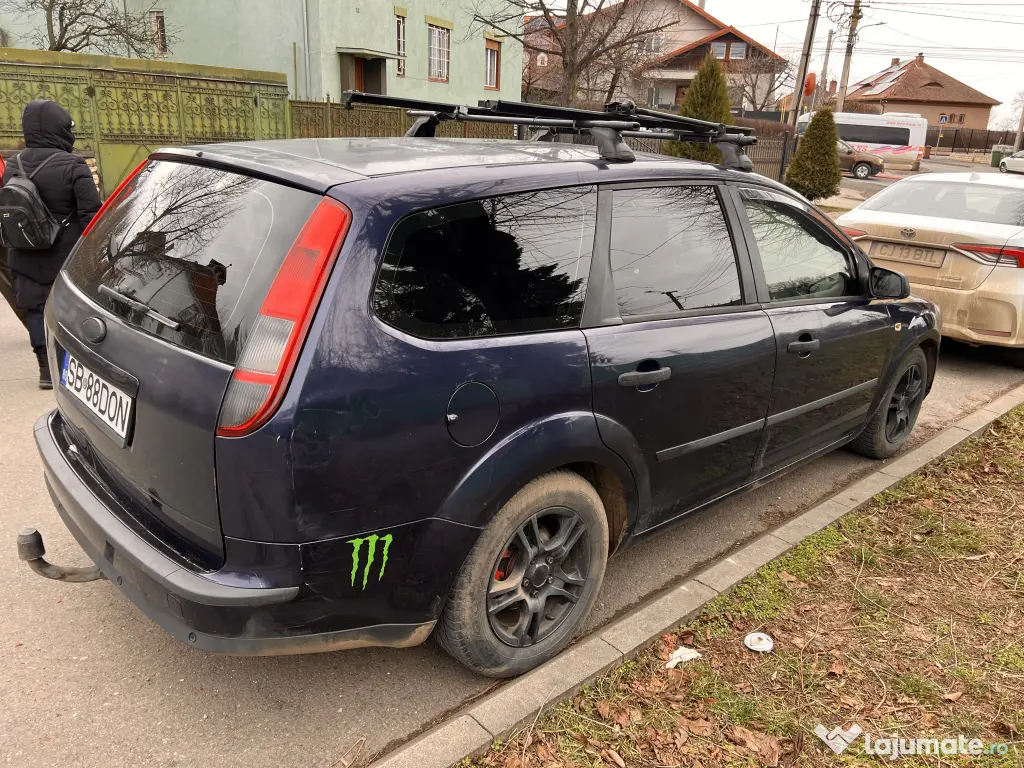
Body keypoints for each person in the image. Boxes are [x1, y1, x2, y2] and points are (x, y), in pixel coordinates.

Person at [1, 100, 101, 389]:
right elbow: (90, 215)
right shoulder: (73, 165)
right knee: (70, 311)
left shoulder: (14, 164)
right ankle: (70, 368)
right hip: (64, 255)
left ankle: (46, 370)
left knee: (35, 309)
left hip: (24, 248)